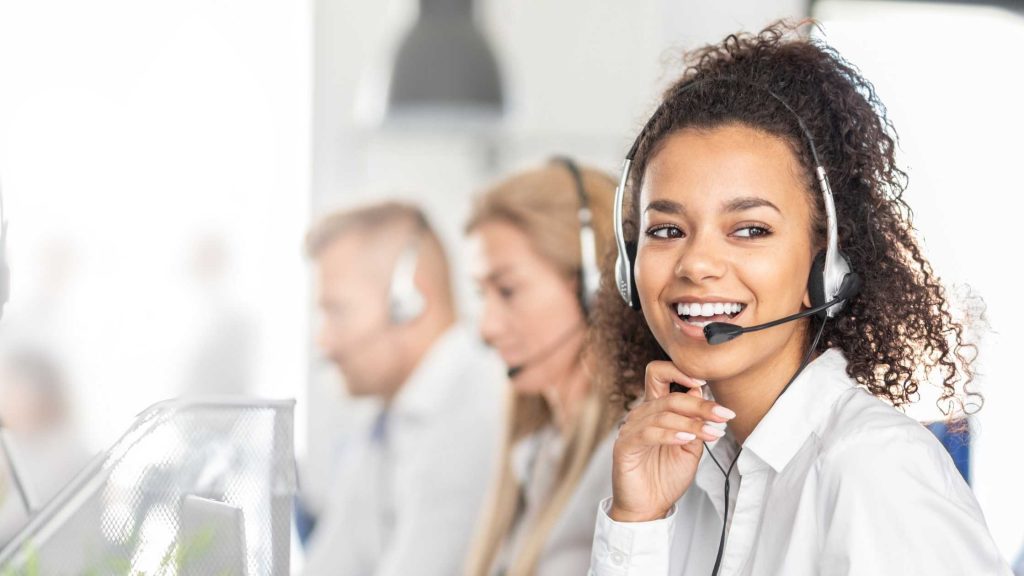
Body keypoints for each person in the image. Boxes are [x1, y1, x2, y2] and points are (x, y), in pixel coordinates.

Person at [588, 23, 1010, 575]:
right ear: (628, 261)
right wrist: (635, 523)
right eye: (666, 230)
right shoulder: (688, 473)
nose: (696, 264)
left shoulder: (873, 469)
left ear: (826, 261)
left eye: (750, 229)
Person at [301, 201, 504, 576]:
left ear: (409, 301)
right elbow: (331, 562)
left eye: (337, 311)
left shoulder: (474, 414)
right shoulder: (391, 415)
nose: (325, 341)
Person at [464, 158, 621, 576]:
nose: (486, 328)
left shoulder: (630, 459)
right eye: (483, 294)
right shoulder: (535, 453)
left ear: (595, 287)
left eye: (508, 290)